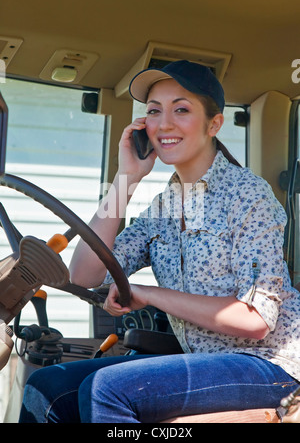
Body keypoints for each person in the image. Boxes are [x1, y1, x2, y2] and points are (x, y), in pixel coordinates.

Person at [19, 60, 300, 423]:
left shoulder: (248, 195)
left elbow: (257, 319)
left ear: (214, 124)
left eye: (181, 110)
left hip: (270, 364)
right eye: (154, 111)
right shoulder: (165, 206)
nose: (164, 123)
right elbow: (85, 274)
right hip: (201, 361)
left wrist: (149, 294)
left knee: (108, 389)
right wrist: (126, 178)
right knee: (46, 386)